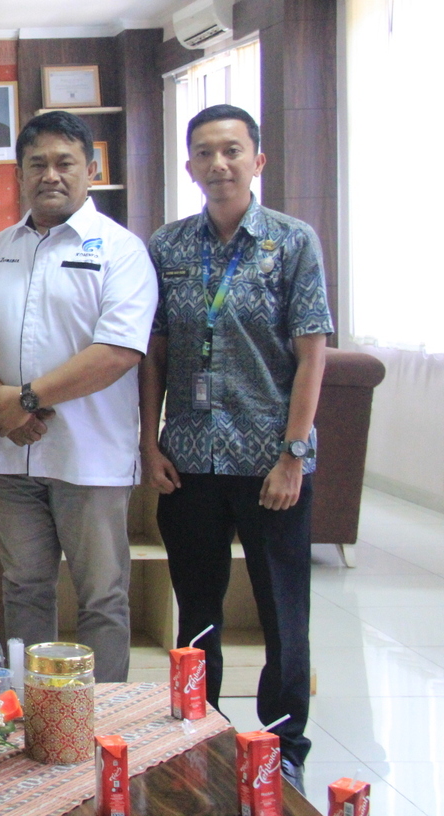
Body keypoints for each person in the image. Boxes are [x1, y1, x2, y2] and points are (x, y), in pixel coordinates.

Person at [140, 104, 330, 791]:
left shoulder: (292, 241)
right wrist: (149, 440)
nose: (218, 164)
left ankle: (284, 747)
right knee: (197, 611)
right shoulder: (167, 246)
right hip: (189, 460)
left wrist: (293, 454)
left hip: (268, 463)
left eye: (232, 150)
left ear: (257, 160)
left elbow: (312, 355)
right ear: (190, 165)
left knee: (283, 612)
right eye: (205, 153)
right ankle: (200, 733)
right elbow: (156, 351)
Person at [0, 111, 156, 683]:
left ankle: (100, 719)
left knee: (101, 597)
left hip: (89, 458)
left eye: (65, 162)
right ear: (19, 175)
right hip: (7, 456)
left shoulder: (121, 250)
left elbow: (118, 351)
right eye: (37, 164)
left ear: (91, 171)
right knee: (23, 589)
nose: (51, 175)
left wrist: (26, 400)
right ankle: (28, 714)